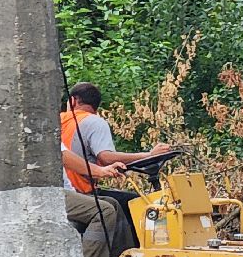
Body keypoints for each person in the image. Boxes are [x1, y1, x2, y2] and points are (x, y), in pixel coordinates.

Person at [60, 82, 172, 228]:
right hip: (80, 192)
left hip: (69, 190)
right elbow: (106, 158)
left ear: (73, 101)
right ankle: (125, 250)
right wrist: (148, 155)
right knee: (136, 203)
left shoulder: (58, 120)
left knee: (115, 202)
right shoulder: (94, 121)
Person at [60, 143, 130, 257]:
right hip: (47, 195)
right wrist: (100, 171)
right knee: (103, 210)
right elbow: (63, 156)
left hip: (64, 191)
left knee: (114, 204)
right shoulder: (39, 129)